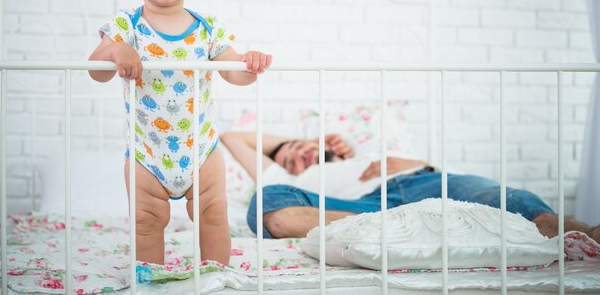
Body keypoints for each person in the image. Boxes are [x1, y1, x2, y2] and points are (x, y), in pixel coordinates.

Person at [88, 0, 272, 266]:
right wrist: (115, 51)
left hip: (200, 148)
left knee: (214, 216)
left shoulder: (207, 29)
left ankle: (217, 275)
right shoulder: (127, 26)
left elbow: (234, 75)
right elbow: (96, 70)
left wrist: (250, 65)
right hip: (147, 152)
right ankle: (152, 279)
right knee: (146, 222)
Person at [220, 132, 600, 245]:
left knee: (508, 199)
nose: (297, 158)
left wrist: (315, 143)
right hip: (361, 206)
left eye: (303, 152)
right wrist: (293, 144)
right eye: (289, 159)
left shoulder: (367, 151)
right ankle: (408, 223)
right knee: (267, 205)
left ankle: (588, 235)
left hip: (427, 181)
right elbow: (232, 136)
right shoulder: (287, 179)